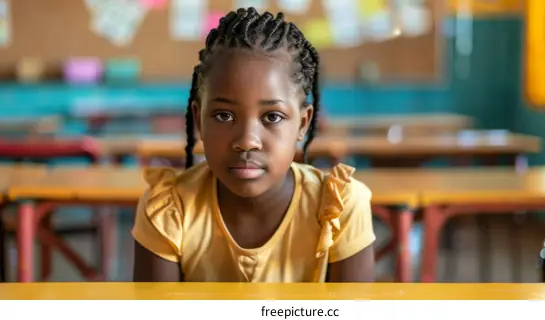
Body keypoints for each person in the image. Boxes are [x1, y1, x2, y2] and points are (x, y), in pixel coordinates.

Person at [132, 8, 376, 282]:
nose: (247, 140)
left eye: (272, 116)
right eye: (224, 116)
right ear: (199, 120)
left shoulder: (339, 208)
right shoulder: (168, 210)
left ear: (303, 124)